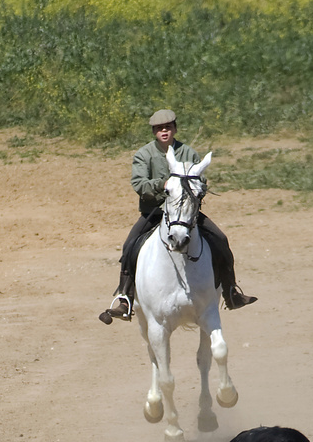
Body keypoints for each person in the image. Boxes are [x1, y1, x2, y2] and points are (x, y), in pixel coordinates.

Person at [99, 109, 256, 324]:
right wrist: (162, 185)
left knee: (221, 239)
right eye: (159, 128)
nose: (164, 131)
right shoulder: (144, 155)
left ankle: (231, 292)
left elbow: (200, 180)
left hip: (186, 215)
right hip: (154, 213)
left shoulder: (188, 153)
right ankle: (125, 298)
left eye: (168, 127)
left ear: (175, 129)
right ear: (154, 131)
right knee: (129, 245)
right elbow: (138, 183)